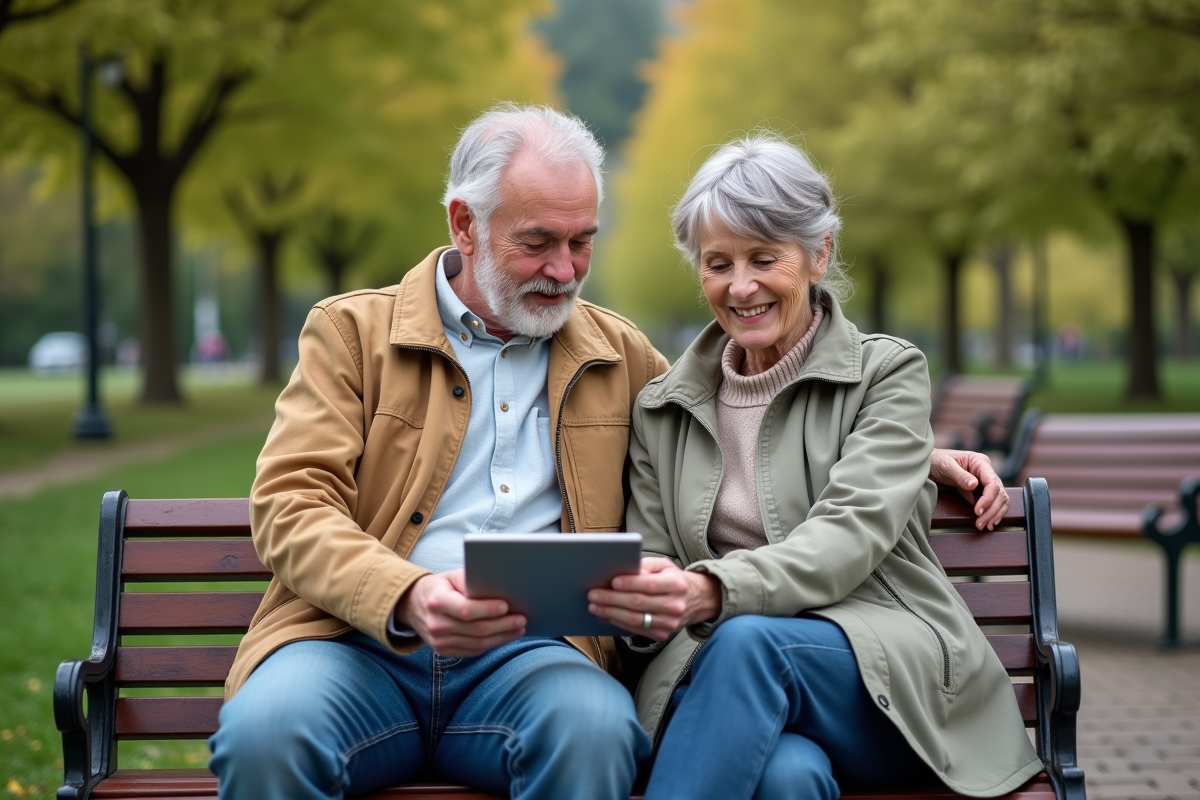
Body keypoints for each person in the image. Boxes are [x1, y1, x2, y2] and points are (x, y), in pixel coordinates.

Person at [209, 104, 1012, 800]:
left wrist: (916, 452)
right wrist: (408, 596)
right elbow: (288, 505)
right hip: (355, 646)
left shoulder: (620, 358)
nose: (564, 271)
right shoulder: (351, 333)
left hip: (527, 662)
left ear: (819, 254)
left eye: (582, 242)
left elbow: (781, 418)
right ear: (464, 223)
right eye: (537, 244)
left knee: (596, 728)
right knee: (267, 735)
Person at [588, 134, 1040, 800]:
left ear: (818, 254)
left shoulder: (886, 375)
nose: (740, 286)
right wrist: (650, 595)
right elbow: (655, 562)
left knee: (751, 644)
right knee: (787, 778)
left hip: (883, 676)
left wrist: (711, 590)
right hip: (725, 683)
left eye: (763, 258)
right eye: (717, 263)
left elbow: (845, 540)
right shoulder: (662, 409)